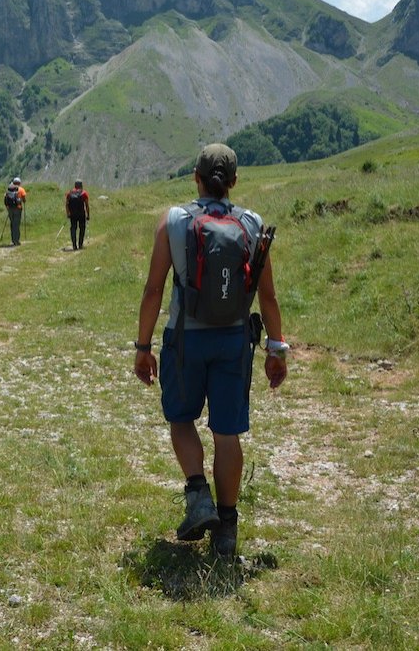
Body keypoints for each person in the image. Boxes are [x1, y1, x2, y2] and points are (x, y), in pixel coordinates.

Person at [133, 143, 288, 559]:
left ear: (195, 178)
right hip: (234, 340)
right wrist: (277, 350)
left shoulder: (173, 222)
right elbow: (268, 298)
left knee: (181, 419)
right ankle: (227, 530)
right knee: (227, 433)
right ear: (234, 182)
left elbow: (153, 290)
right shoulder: (253, 224)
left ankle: (198, 495)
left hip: (185, 339)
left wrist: (143, 347)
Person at [65, 180, 90, 250]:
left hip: (72, 214)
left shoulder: (69, 193)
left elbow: (66, 204)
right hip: (81, 214)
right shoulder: (84, 193)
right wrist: (88, 215)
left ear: (75, 185)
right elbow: (87, 205)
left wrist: (68, 213)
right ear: (81, 185)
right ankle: (80, 244)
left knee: (73, 228)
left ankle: (74, 245)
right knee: (82, 228)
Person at [4, 176, 27, 245]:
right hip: (18, 208)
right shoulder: (21, 189)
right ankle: (16, 240)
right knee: (16, 224)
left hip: (10, 209)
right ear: (19, 183)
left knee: (12, 224)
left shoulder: (9, 189)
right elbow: (24, 199)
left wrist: (8, 207)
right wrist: (24, 201)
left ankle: (13, 239)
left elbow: (5, 198)